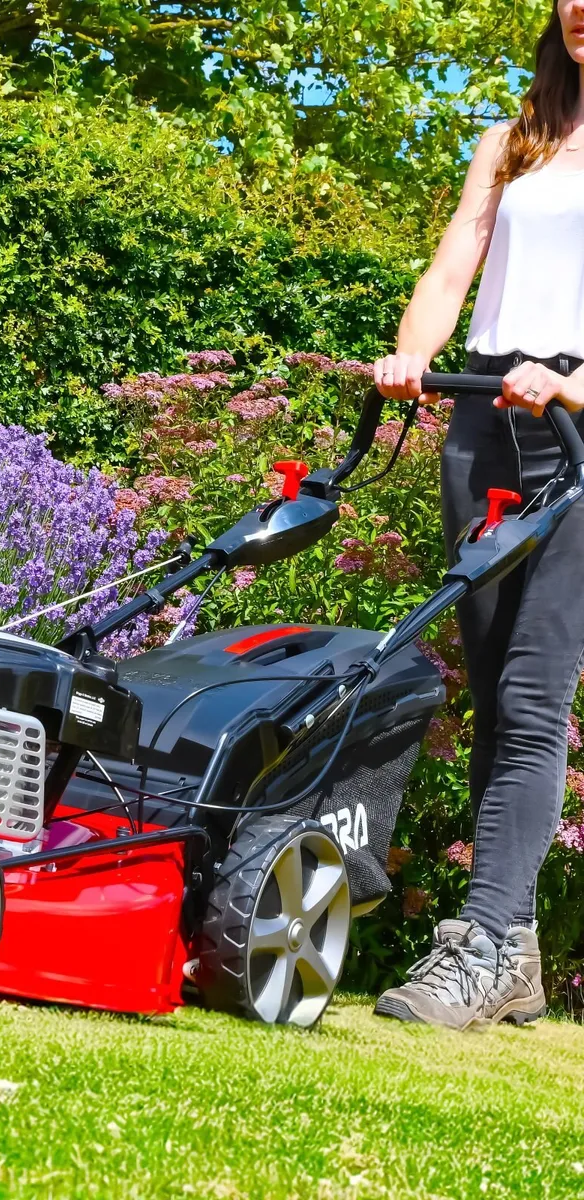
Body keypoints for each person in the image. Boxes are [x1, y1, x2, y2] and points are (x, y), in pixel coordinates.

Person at [372, 0, 584, 1029]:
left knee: (536, 695)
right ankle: (518, 952)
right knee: (496, 697)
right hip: (484, 415)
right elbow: (456, 259)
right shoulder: (514, 138)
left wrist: (575, 384)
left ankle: (487, 939)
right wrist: (412, 354)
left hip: (578, 426)